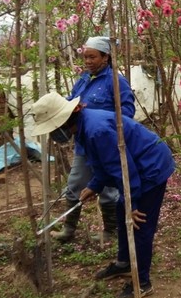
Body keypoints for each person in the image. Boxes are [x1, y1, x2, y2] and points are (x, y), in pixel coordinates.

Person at [30, 92, 175, 298]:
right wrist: (94, 186)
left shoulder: (96, 130)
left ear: (63, 120)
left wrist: (132, 203)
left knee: (138, 222)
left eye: (52, 129)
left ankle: (142, 282)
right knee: (120, 208)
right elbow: (103, 163)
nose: (53, 134)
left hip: (151, 167)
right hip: (137, 166)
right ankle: (124, 263)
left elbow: (123, 169)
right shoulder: (84, 128)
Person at [53, 36, 136, 243]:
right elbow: (70, 103)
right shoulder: (83, 79)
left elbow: (127, 110)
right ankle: (69, 229)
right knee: (75, 184)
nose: (88, 61)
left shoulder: (116, 82)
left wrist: (103, 123)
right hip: (84, 144)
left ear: (105, 57)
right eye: (86, 57)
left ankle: (110, 230)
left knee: (108, 189)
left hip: (105, 144)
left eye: (93, 57)